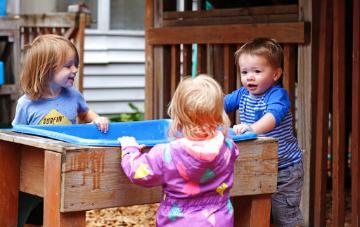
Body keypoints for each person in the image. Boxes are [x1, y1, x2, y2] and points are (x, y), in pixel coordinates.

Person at [12, 34, 109, 226]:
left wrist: (96, 119)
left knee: (63, 209)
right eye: (67, 66)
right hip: (36, 169)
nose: (74, 70)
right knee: (27, 212)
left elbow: (85, 112)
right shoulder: (27, 104)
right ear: (45, 69)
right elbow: (16, 138)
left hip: (66, 165)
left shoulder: (73, 96)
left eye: (75, 65)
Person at [119, 75, 239, 226]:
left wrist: (130, 148)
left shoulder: (167, 153)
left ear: (179, 116)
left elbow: (138, 172)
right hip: (219, 220)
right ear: (219, 114)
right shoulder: (228, 146)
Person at [224, 37, 304, 226]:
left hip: (284, 168)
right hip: (257, 163)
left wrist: (251, 128)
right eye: (244, 72)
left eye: (257, 71)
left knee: (284, 215)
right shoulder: (242, 94)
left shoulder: (277, 95)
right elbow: (219, 104)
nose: (249, 77)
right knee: (254, 211)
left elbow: (272, 118)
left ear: (276, 74)